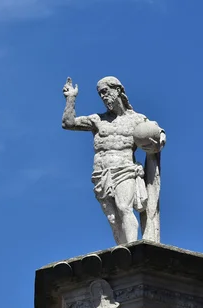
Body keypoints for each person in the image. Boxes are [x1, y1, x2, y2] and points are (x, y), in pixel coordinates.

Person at [61, 76, 165, 244]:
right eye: (100, 94)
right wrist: (71, 98)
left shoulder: (137, 119)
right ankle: (124, 251)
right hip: (101, 173)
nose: (103, 96)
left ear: (118, 90)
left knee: (125, 208)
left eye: (105, 91)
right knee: (113, 219)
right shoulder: (97, 120)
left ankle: (132, 247)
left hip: (125, 170)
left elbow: (157, 132)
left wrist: (160, 139)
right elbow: (68, 123)